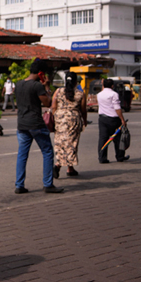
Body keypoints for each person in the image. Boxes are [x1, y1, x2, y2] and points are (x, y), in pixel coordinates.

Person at [14, 60, 64, 194]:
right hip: (36, 124)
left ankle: (19, 185)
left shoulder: (18, 84)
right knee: (47, 152)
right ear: (41, 73)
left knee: (22, 155)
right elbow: (48, 103)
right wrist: (47, 86)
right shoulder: (37, 86)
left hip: (22, 124)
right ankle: (48, 184)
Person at [50, 71, 87, 177]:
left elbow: (53, 106)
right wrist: (84, 121)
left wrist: (56, 117)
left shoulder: (58, 91)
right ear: (76, 81)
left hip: (59, 119)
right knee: (71, 144)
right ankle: (58, 166)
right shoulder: (80, 93)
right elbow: (83, 110)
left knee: (61, 143)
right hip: (73, 120)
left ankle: (70, 168)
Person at [97, 78, 129, 163]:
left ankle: (102, 157)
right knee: (117, 138)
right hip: (114, 119)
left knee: (103, 138)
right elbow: (117, 108)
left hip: (102, 119)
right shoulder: (114, 94)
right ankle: (120, 156)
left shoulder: (99, 94)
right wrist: (122, 119)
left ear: (103, 85)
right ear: (112, 85)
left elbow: (103, 91)